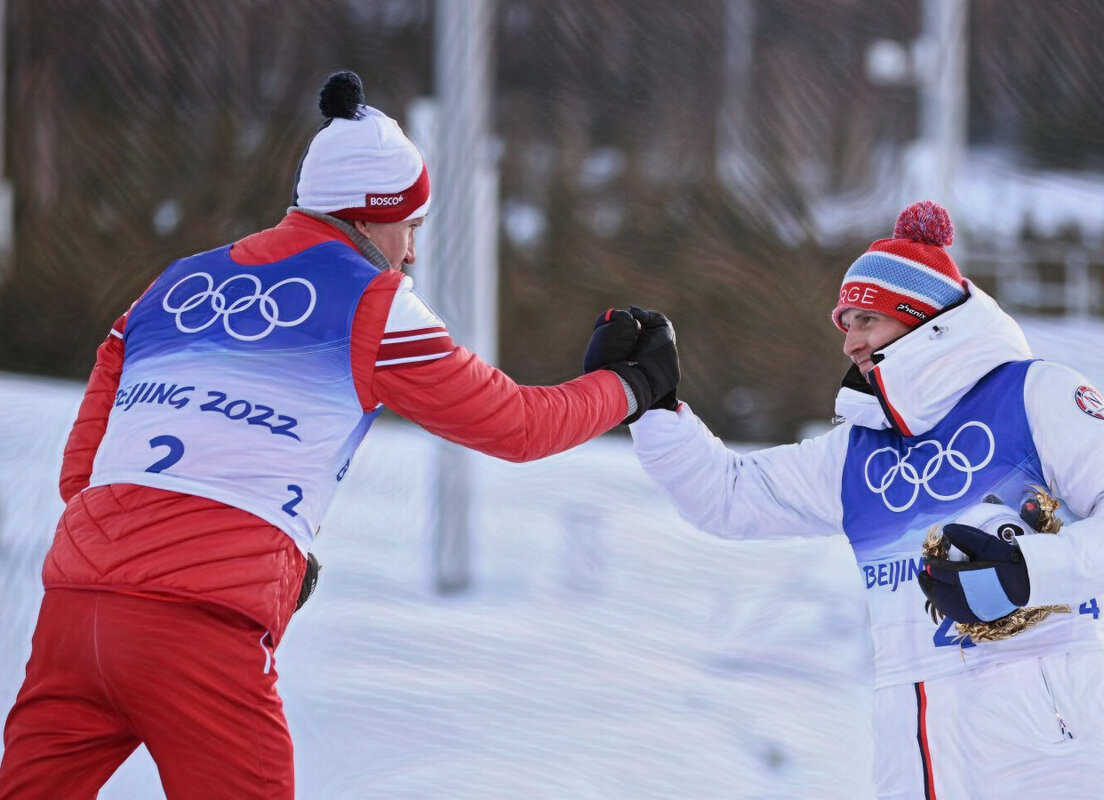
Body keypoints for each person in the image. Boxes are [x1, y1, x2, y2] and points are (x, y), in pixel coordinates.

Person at [0, 71, 678, 799]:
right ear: (372, 217)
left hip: (74, 609)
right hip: (201, 632)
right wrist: (633, 386)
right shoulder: (371, 303)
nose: (412, 252)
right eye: (411, 226)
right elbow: (514, 426)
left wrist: (178, 552)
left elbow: (85, 473)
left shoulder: (172, 285)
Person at [620, 201, 1104, 799]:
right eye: (846, 323)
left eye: (865, 320)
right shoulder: (856, 450)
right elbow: (729, 496)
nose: (849, 342)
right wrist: (653, 405)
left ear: (921, 319)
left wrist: (1029, 570)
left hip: (1052, 726)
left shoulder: (1036, 392)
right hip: (913, 740)